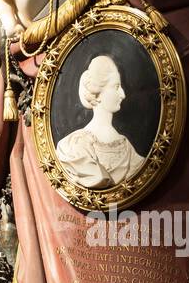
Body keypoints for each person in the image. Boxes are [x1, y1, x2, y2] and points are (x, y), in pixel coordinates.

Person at [55, 54, 144, 187]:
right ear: (98, 92)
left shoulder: (126, 148)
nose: (123, 94)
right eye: (116, 86)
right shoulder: (72, 146)